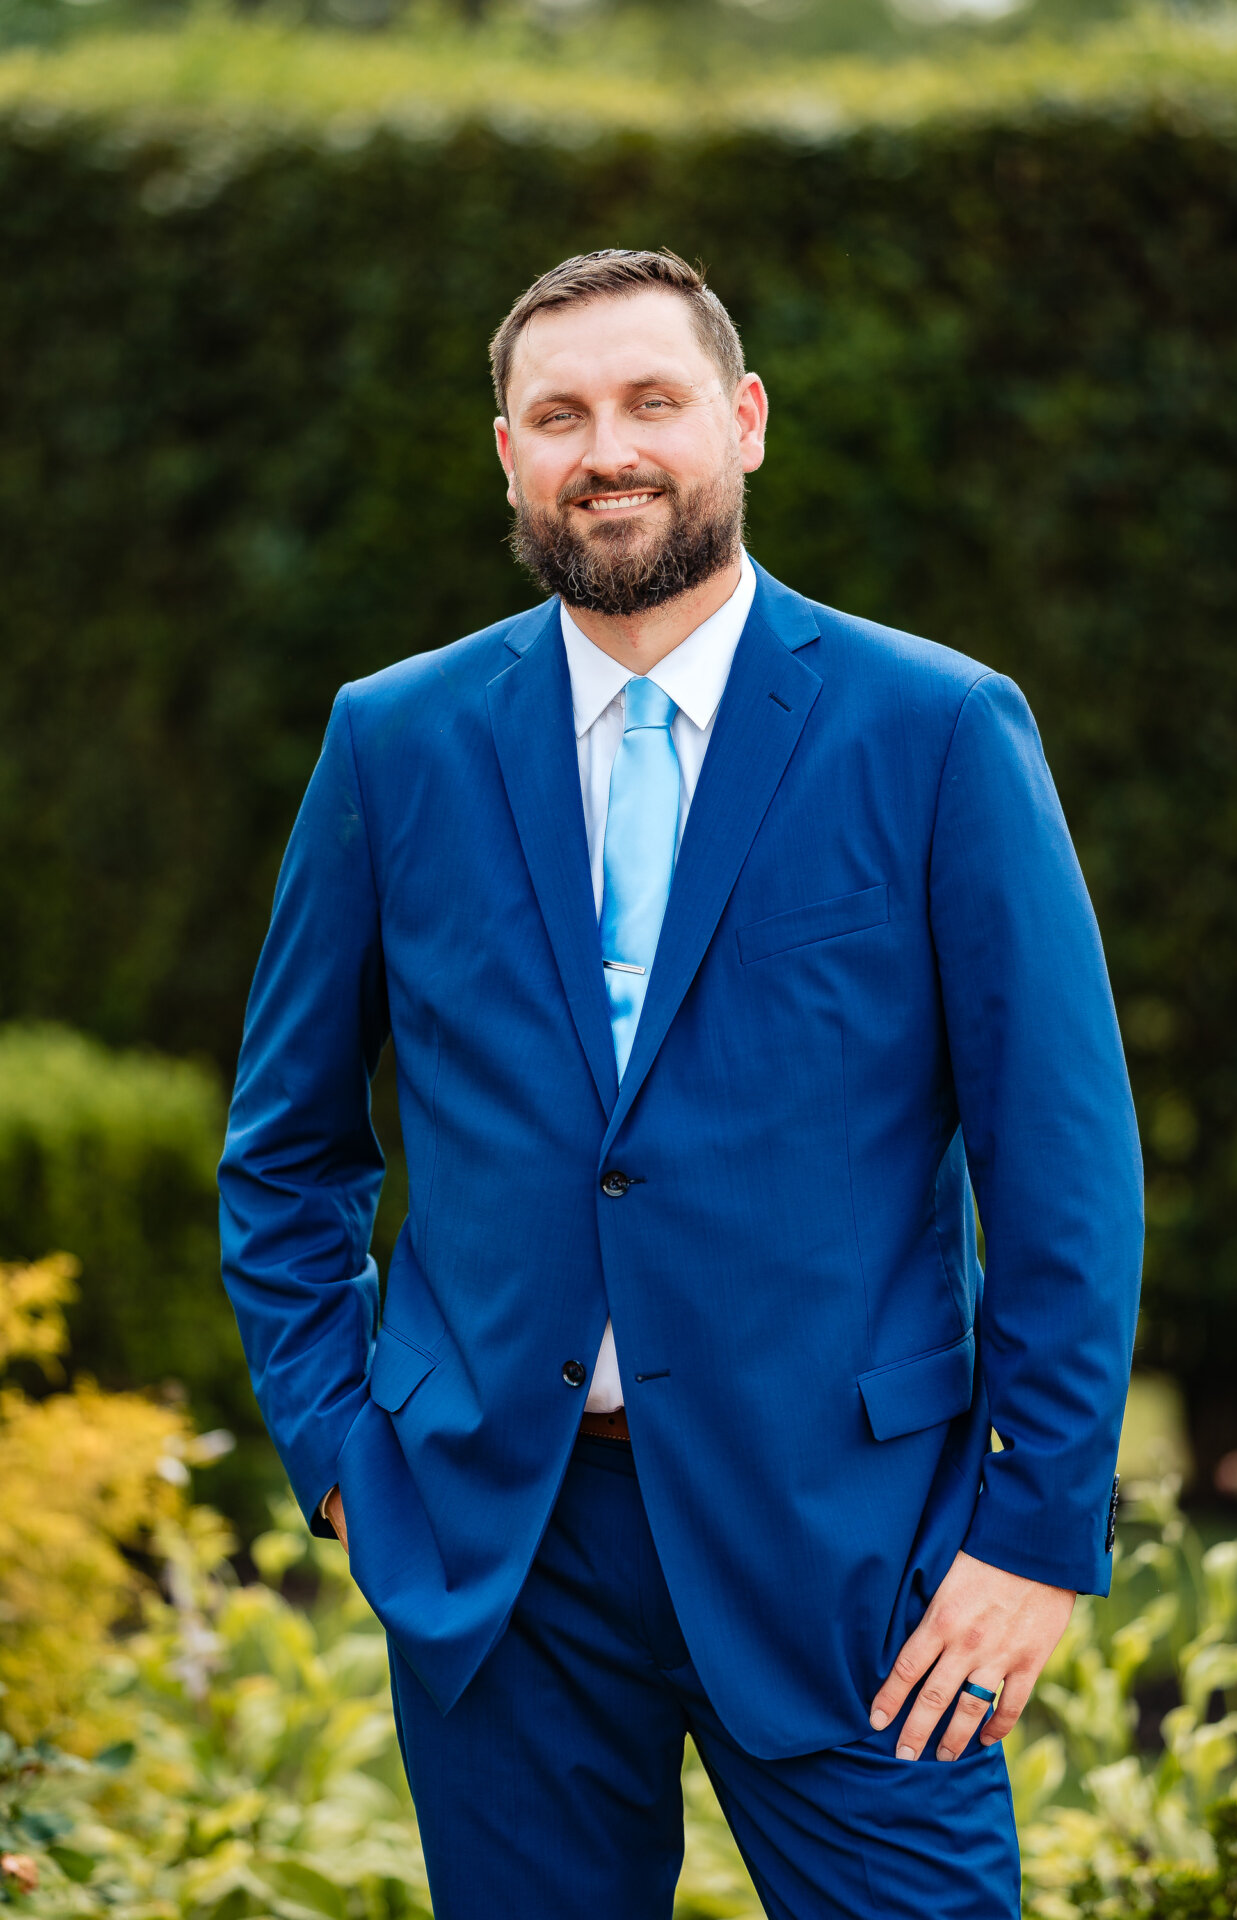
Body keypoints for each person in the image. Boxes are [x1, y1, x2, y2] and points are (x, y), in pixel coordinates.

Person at [219, 248, 1144, 1920]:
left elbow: (1064, 1169)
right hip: (501, 1549)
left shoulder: (936, 727)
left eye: (652, 401)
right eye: (559, 414)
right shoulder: (395, 738)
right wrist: (346, 1452)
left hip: (857, 1546)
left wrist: (1033, 1536)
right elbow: (285, 1147)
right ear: (506, 452)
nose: (609, 448)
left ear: (745, 421)